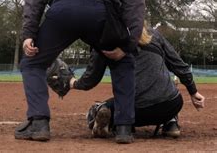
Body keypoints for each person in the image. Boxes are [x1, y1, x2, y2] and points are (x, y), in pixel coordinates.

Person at [15, 0, 144, 143]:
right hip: (103, 12)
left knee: (32, 63)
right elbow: (134, 3)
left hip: (63, 9)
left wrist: (28, 33)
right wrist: (129, 43)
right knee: (122, 61)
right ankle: (124, 127)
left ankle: (39, 123)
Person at [66, 25, 205, 138]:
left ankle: (108, 118)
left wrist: (73, 83)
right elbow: (179, 66)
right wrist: (193, 91)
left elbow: (91, 78)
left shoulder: (105, 37)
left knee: (101, 108)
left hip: (132, 110)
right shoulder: (153, 34)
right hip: (170, 105)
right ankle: (170, 122)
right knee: (170, 91)